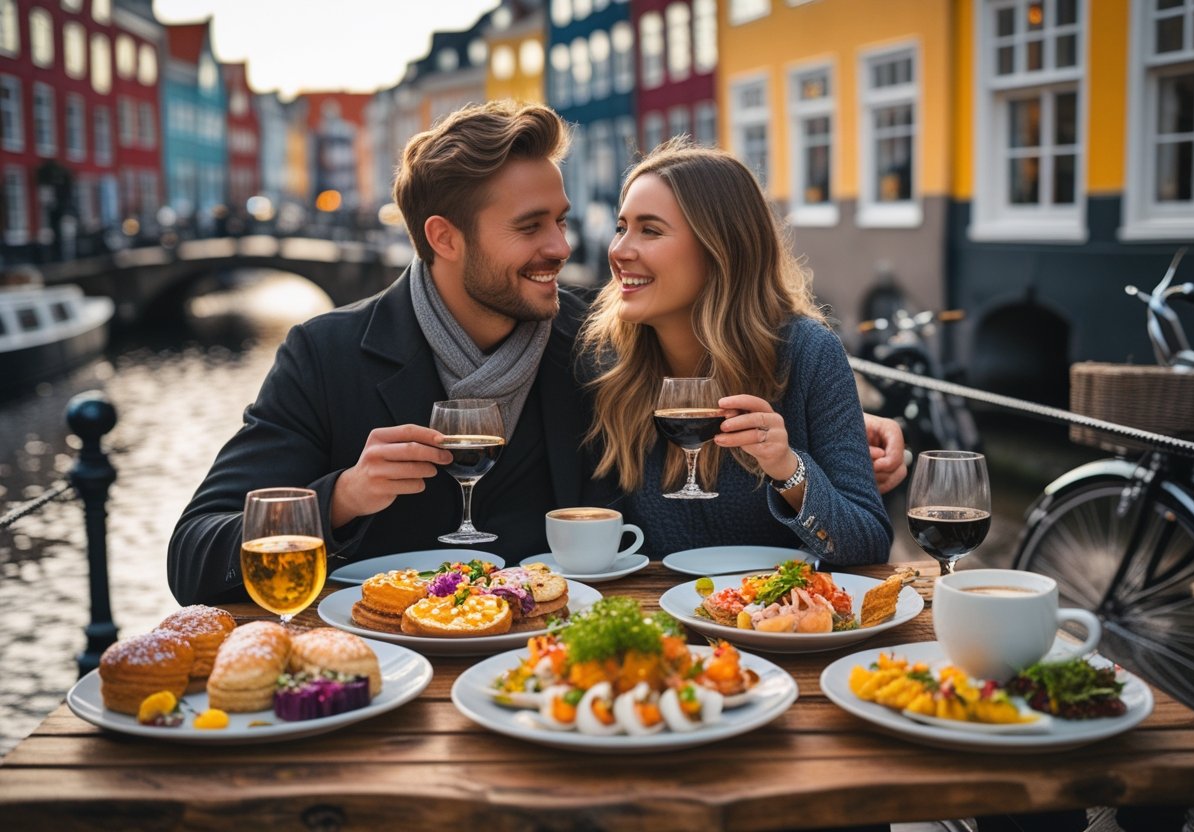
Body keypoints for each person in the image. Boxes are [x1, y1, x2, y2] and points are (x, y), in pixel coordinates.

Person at [168, 102, 906, 605]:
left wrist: (845, 448)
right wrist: (339, 499)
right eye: (531, 227)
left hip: (551, 670)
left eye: (561, 220)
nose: (565, 247)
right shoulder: (326, 355)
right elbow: (194, 556)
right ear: (444, 238)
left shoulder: (593, 345)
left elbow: (797, 479)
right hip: (389, 667)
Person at [577, 138, 891, 563]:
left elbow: (868, 544)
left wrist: (787, 468)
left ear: (720, 249)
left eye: (649, 230)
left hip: (773, 619)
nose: (619, 250)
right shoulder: (606, 360)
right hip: (654, 621)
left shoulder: (808, 354)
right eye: (621, 227)